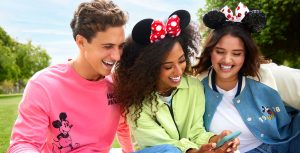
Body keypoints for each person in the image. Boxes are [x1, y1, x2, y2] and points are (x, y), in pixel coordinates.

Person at [8, 0, 133, 152]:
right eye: (107, 46)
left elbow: (124, 127)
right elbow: (24, 143)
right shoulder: (43, 85)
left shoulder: (117, 84)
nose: (117, 56)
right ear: (81, 42)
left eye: (120, 46)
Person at [114, 10, 239, 153]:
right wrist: (193, 151)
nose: (178, 71)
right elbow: (163, 146)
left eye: (181, 61)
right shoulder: (136, 103)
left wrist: (215, 140)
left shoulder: (194, 87)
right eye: (168, 67)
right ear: (149, 68)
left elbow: (196, 132)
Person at [193, 2, 300, 153]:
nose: (227, 60)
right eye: (220, 51)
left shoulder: (265, 74)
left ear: (246, 55)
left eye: (236, 54)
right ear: (210, 51)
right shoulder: (197, 85)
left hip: (287, 143)